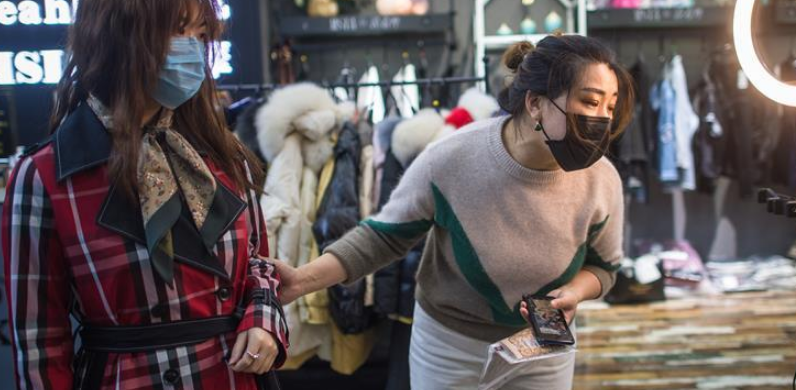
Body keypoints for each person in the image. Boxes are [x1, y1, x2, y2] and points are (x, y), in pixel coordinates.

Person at [269, 34, 633, 389]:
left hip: (543, 348)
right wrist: (301, 281)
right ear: (535, 103)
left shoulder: (602, 180)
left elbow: (604, 267)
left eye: (610, 107)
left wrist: (575, 292)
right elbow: (383, 237)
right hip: (449, 347)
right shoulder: (453, 157)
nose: (602, 119)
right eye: (590, 101)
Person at [1, 0, 287, 390]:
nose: (192, 48)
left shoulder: (220, 153)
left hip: (233, 376)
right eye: (176, 30)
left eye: (201, 34)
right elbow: (39, 343)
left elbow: (258, 264)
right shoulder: (46, 176)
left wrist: (263, 319)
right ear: (119, 33)